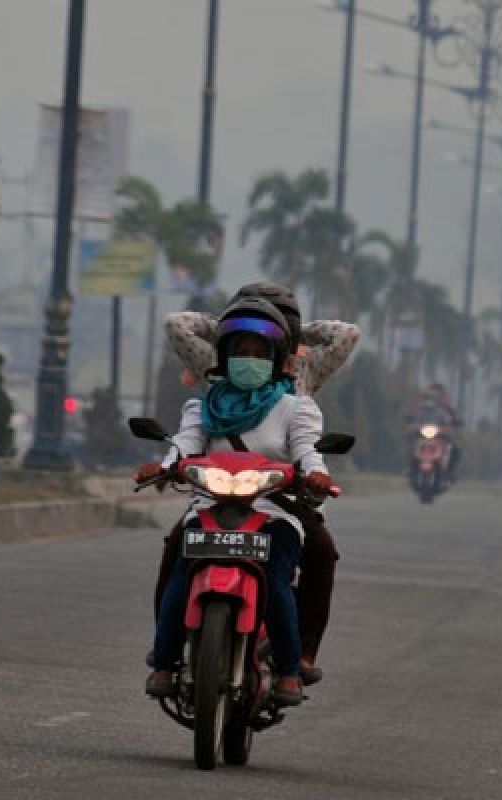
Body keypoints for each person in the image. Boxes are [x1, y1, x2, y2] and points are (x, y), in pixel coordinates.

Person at [159, 283, 358, 686]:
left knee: (320, 553)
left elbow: (346, 335)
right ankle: (165, 650)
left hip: (283, 497)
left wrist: (290, 333)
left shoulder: (301, 377)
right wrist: (234, 325)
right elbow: (177, 325)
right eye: (240, 349)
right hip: (217, 492)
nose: (249, 359)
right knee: (175, 552)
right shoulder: (213, 380)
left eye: (261, 347)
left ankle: (299, 655)